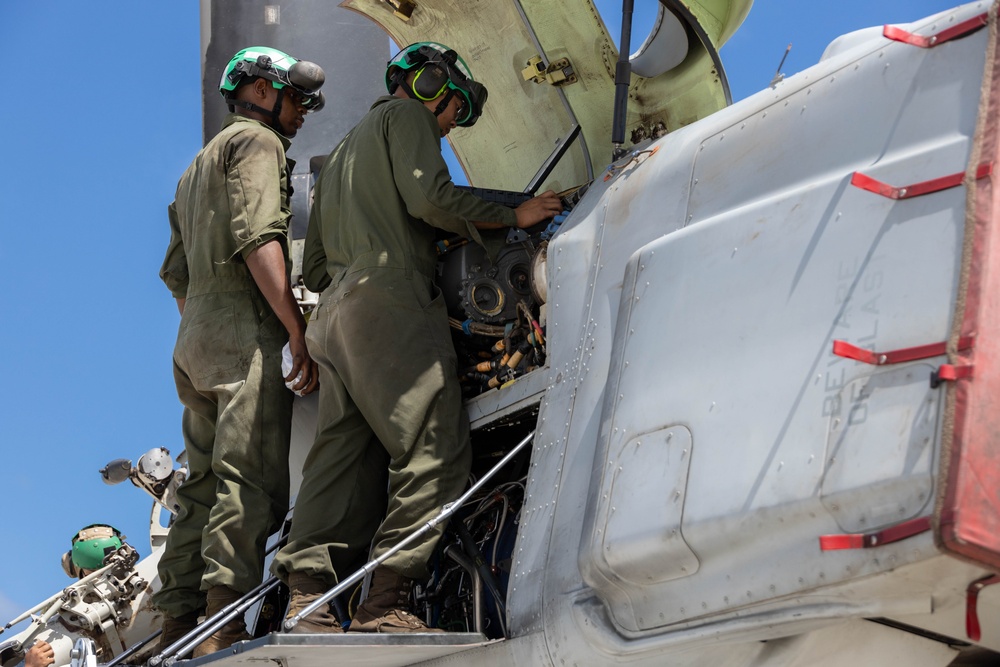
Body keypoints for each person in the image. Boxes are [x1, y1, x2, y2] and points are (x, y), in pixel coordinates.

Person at [270, 41, 563, 633]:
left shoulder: (344, 150)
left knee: (340, 464)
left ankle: (307, 603)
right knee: (434, 448)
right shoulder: (406, 118)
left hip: (334, 317)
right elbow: (430, 198)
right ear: (433, 87)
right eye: (455, 110)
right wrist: (518, 216)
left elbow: (319, 265)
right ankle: (386, 602)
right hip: (390, 297)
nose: (451, 126)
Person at [155, 46, 323, 655]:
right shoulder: (257, 144)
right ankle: (218, 629)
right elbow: (260, 239)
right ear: (258, 91)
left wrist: (205, 323)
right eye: (296, 98)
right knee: (246, 482)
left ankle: (175, 624)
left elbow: (175, 273)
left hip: (193, 339)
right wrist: (295, 329)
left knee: (197, 488)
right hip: (241, 330)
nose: (303, 112)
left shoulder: (194, 166)